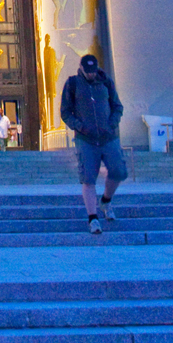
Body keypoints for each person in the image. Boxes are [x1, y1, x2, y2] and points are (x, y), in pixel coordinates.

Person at [60, 54, 126, 232]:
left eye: (93, 71)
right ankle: (93, 218)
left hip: (108, 136)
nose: (91, 75)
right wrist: (79, 126)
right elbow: (65, 112)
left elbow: (117, 106)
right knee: (88, 178)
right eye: (87, 72)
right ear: (81, 68)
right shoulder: (73, 84)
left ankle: (105, 200)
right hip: (86, 138)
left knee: (119, 171)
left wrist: (112, 124)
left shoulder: (106, 82)